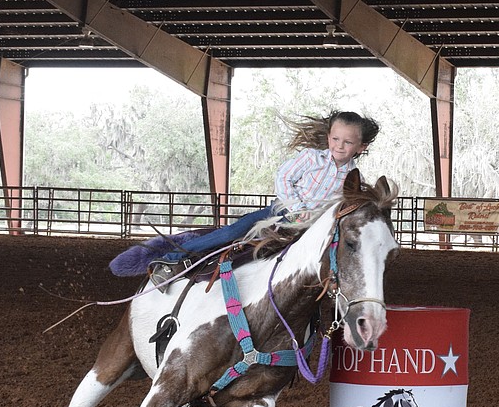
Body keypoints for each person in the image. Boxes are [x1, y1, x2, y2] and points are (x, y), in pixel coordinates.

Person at [149, 110, 380, 285]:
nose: (340, 146)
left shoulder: (353, 177)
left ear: (361, 147)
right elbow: (284, 177)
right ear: (329, 138)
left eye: (348, 142)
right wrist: (298, 209)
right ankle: (171, 260)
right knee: (232, 233)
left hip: (312, 227)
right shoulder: (311, 158)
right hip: (282, 212)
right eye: (336, 139)